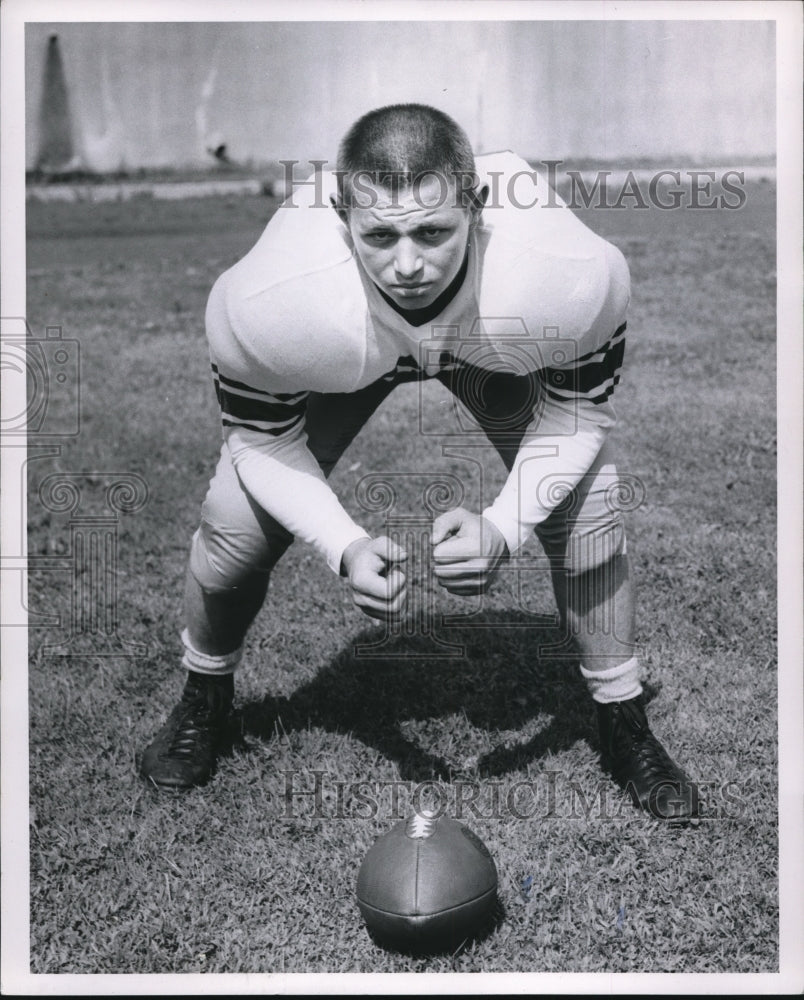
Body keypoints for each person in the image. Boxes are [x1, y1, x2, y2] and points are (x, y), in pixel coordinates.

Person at [140, 104, 698, 821]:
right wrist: (342, 546)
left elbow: (578, 411)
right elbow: (261, 440)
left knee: (590, 511)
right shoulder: (273, 301)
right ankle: (204, 693)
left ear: (477, 205)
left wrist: (503, 526)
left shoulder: (563, 274)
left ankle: (623, 720)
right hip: (348, 351)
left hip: (492, 339)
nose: (407, 264)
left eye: (433, 231)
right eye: (380, 235)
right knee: (232, 528)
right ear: (342, 218)